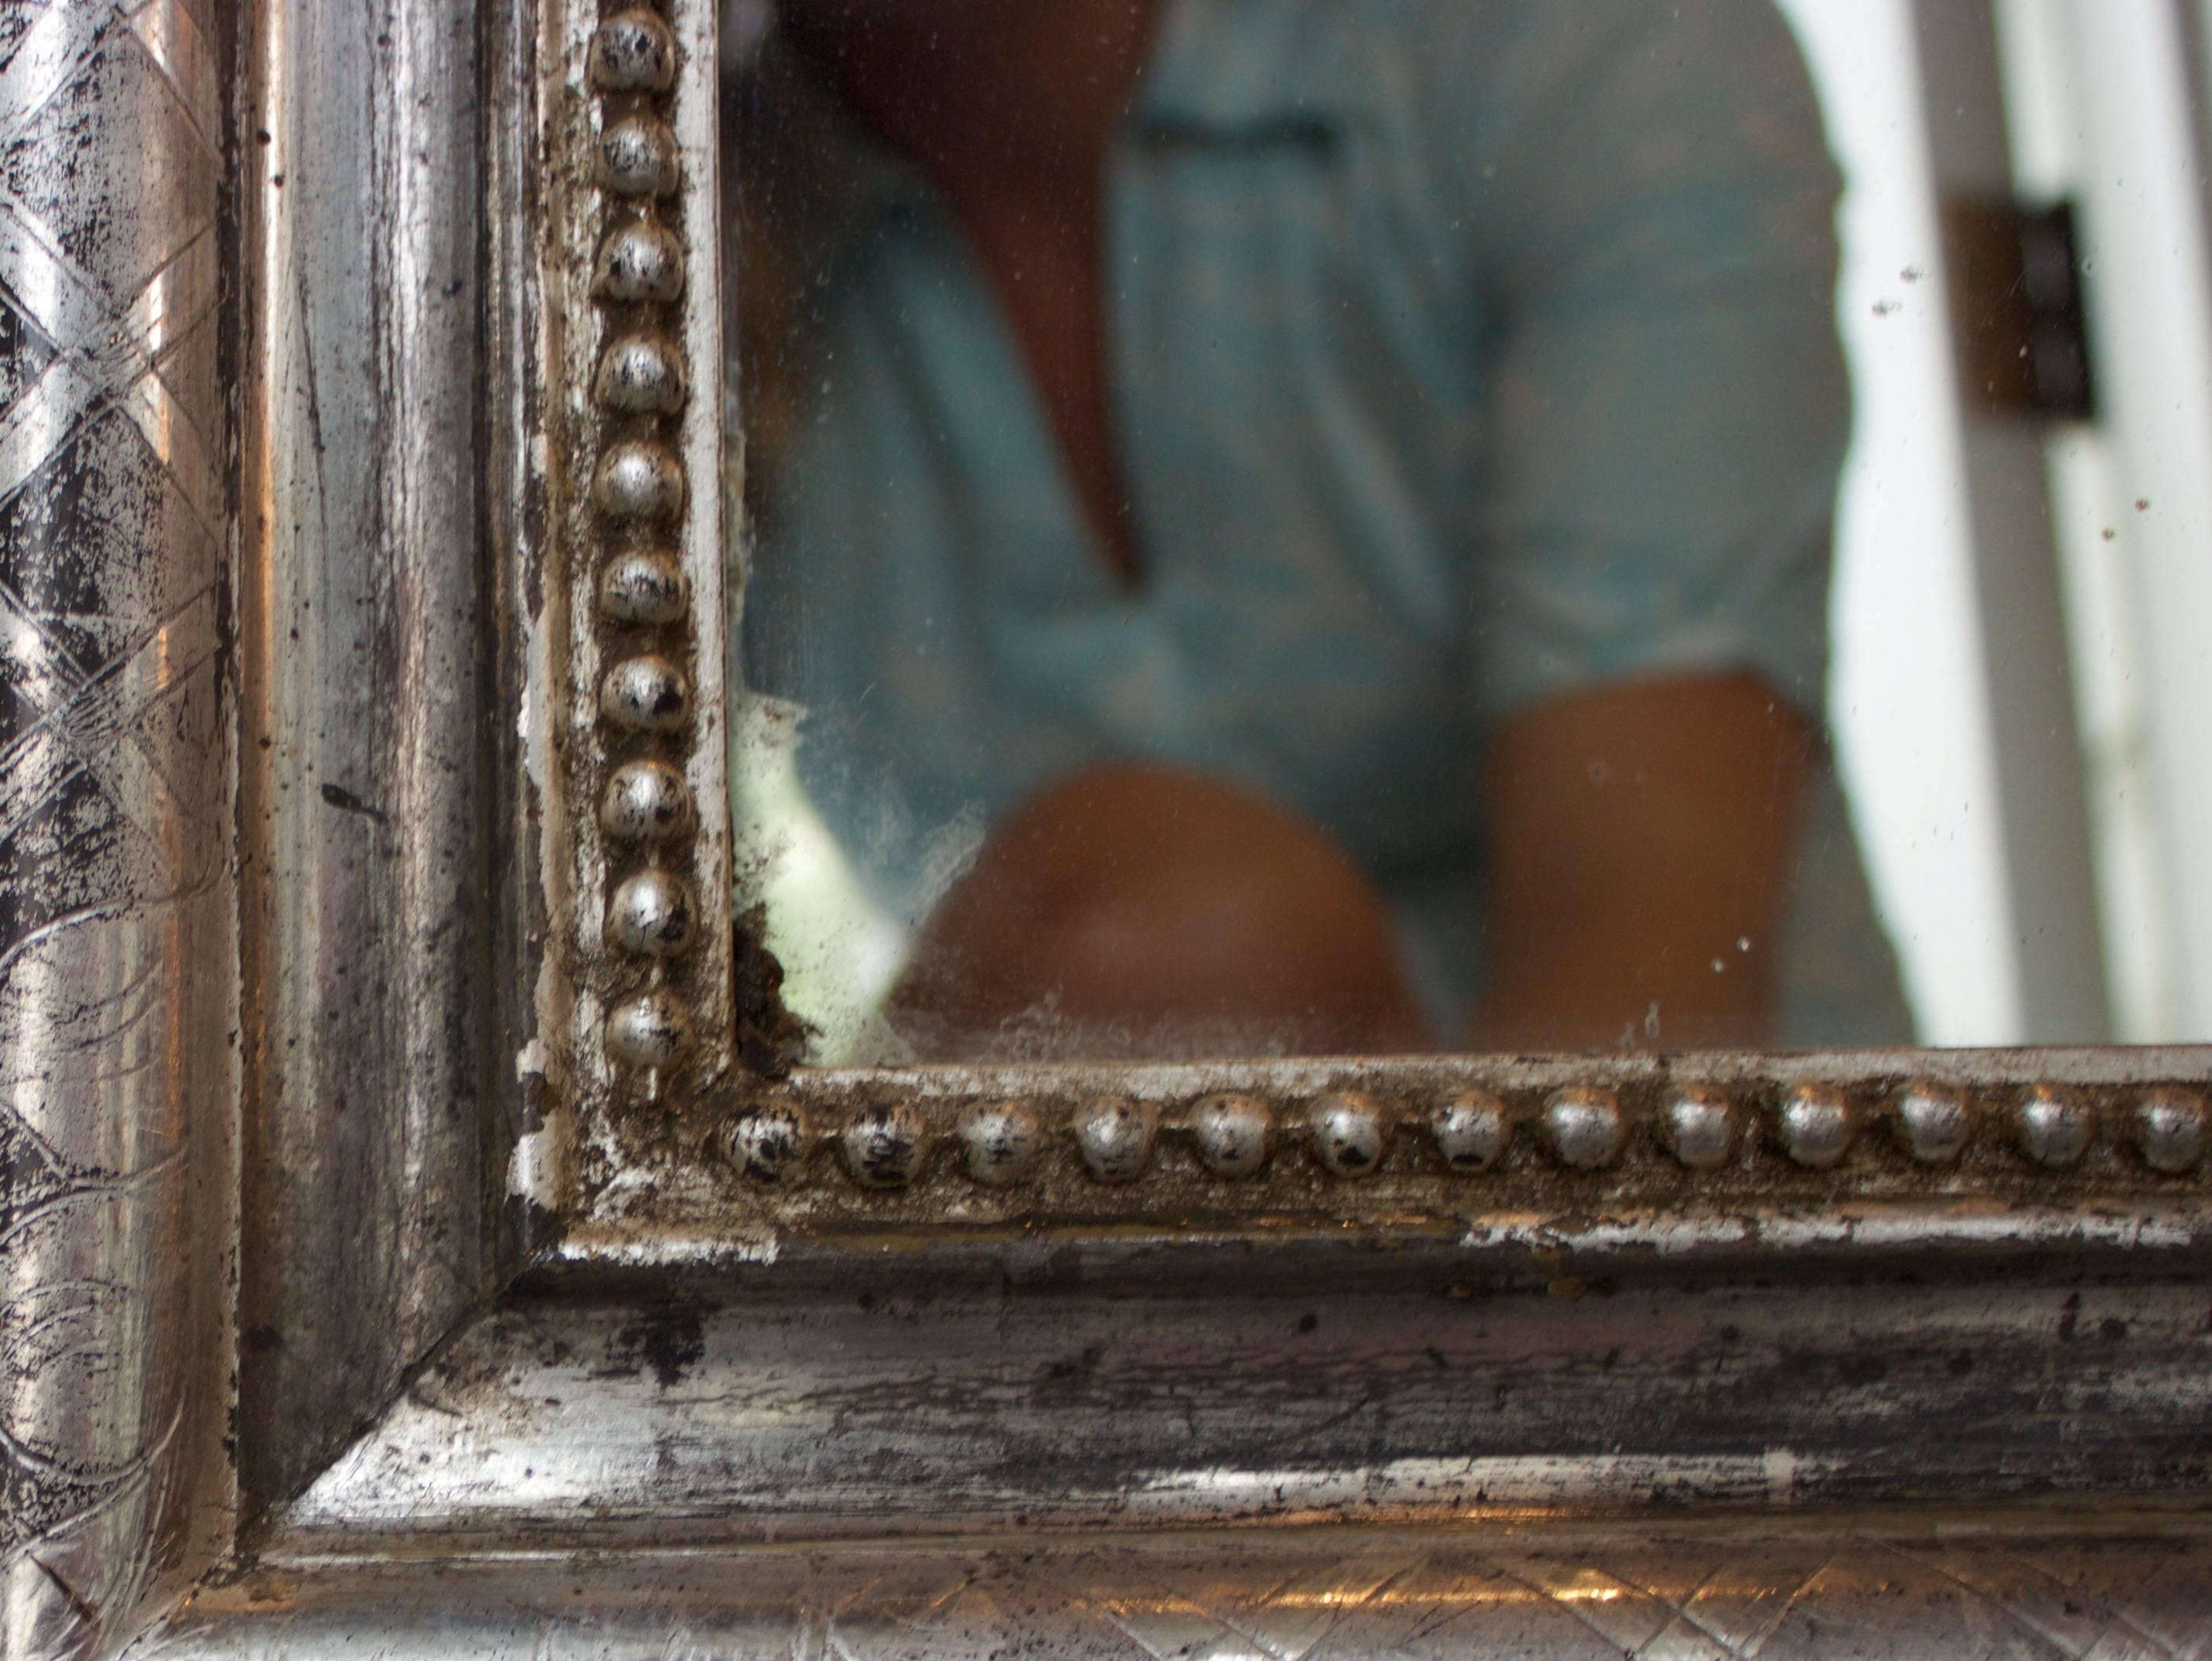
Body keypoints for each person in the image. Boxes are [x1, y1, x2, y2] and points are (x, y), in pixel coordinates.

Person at [725, 0, 1914, 1058]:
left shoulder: (1580, 47)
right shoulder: (644, 236)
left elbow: (1645, 998)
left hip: (1709, 1272)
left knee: (1157, 933)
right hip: (1088, 1283)